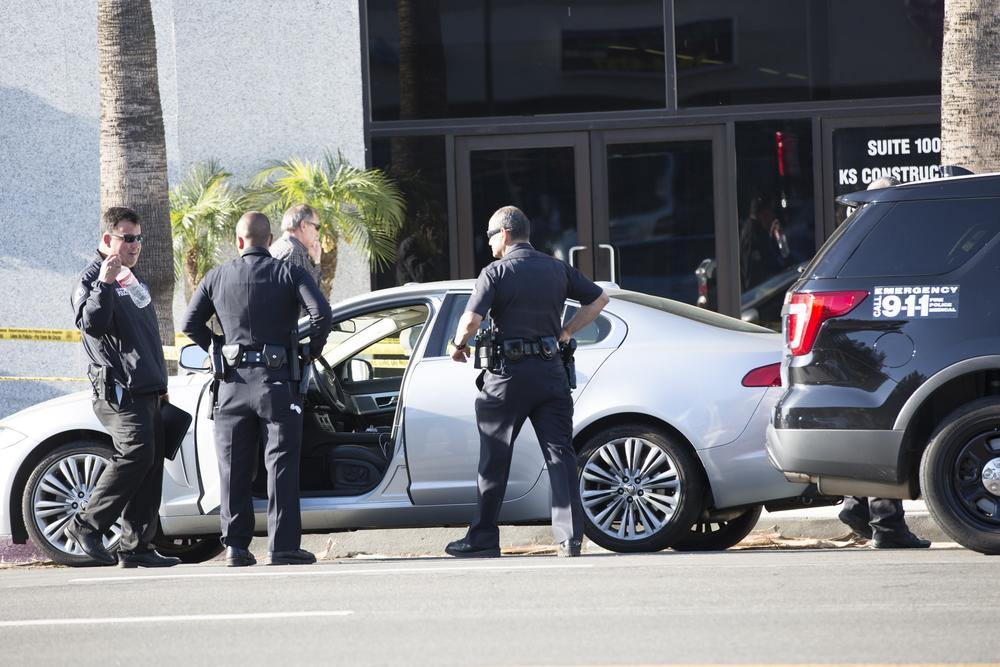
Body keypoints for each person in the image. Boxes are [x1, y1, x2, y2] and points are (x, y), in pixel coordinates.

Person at [445, 206, 610, 558]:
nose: (487, 243)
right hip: (551, 373)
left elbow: (470, 321)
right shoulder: (556, 267)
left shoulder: (495, 272)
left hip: (508, 377)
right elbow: (599, 299)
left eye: (489, 236)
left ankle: (483, 538)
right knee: (560, 455)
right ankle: (570, 538)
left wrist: (458, 347)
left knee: (494, 458)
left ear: (504, 234)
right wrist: (565, 331)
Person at [182, 212, 332, 567]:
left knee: (233, 468)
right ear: (268, 241)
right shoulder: (289, 272)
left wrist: (219, 347)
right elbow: (321, 315)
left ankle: (235, 547)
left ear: (238, 241)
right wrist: (309, 350)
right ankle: (282, 547)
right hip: (277, 383)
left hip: (231, 385)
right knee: (280, 464)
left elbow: (190, 323)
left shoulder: (217, 276)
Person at [67, 206, 181, 568]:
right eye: (127, 238)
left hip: (147, 389)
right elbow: (92, 324)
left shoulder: (133, 279)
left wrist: (161, 384)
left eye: (138, 239)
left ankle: (137, 547)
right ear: (107, 239)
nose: (135, 245)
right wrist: (103, 282)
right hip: (118, 391)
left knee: (150, 465)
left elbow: (146, 337)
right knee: (136, 455)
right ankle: (85, 525)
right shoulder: (90, 279)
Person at [837, 174, 930, 550]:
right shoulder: (885, 236)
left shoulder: (852, 236)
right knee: (883, 425)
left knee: (868, 425)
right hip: (882, 345)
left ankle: (857, 503)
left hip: (854, 344)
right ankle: (887, 524)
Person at [739, 193, 789, 291]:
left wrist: (778, 238)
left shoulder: (761, 232)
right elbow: (753, 273)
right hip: (760, 294)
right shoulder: (753, 236)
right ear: (763, 214)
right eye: (770, 211)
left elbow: (782, 256)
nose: (773, 216)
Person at [269, 203, 322, 284]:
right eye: (317, 227)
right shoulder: (293, 251)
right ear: (303, 225)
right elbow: (310, 292)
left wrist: (316, 259)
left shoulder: (280, 245)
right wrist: (317, 261)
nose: (318, 234)